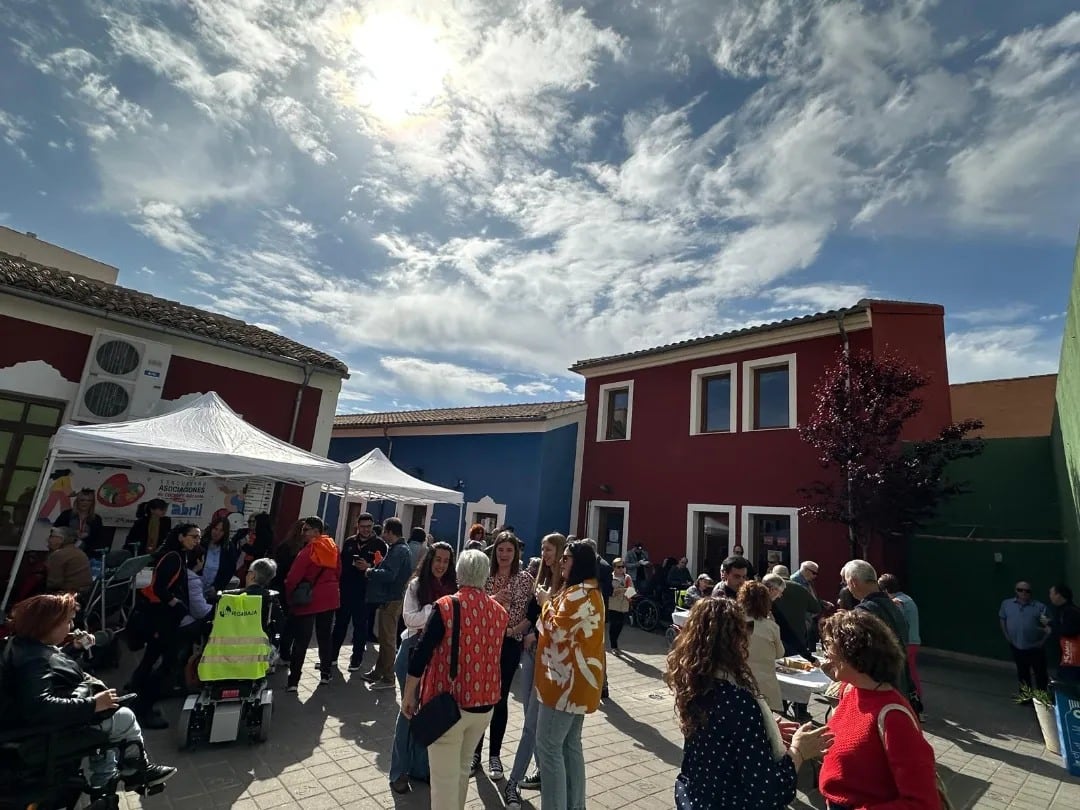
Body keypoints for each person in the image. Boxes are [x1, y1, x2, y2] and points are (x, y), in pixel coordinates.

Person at [666, 597, 832, 809]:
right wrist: (799, 751)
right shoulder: (737, 700)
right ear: (735, 637)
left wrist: (762, 729)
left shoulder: (696, 681)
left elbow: (720, 737)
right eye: (747, 626)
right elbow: (767, 790)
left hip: (696, 794)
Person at [1, 593, 176, 792]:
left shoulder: (23, 645)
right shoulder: (33, 660)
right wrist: (94, 704)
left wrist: (74, 649)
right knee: (124, 718)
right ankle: (122, 776)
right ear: (48, 625)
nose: (71, 627)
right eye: (67, 622)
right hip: (41, 735)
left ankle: (115, 777)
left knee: (110, 718)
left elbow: (50, 668)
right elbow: (39, 706)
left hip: (30, 724)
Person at [401, 549, 509, 810]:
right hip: (484, 704)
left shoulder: (447, 606)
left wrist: (408, 694)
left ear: (460, 573)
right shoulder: (498, 611)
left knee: (443, 782)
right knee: (461, 772)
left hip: (449, 704)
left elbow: (421, 654)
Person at [818, 610, 942, 809]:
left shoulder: (893, 716)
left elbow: (923, 804)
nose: (825, 653)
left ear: (853, 653)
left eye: (829, 645)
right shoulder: (849, 690)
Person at [533, 540, 605, 810]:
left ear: (580, 562)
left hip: (563, 683)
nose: (561, 562)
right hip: (576, 683)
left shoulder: (578, 595)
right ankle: (576, 805)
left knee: (549, 748)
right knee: (570, 746)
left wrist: (544, 602)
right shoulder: (588, 591)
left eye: (566, 558)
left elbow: (555, 630)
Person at [389, 542, 457, 795]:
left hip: (437, 657)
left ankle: (420, 768)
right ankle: (398, 772)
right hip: (412, 652)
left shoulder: (452, 588)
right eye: (437, 559)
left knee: (428, 715)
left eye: (445, 561)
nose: (441, 565)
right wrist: (437, 610)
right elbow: (410, 618)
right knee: (408, 712)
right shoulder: (417, 586)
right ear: (429, 560)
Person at [504, 533, 566, 804]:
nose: (544, 553)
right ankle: (539, 771)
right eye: (542, 548)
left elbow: (556, 619)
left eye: (549, 549)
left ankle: (513, 782)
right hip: (532, 651)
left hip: (550, 658)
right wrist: (525, 630)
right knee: (533, 715)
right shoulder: (540, 576)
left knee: (532, 722)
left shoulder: (565, 582)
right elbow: (533, 611)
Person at [474, 531, 535, 780]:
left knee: (499, 700)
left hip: (508, 644)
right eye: (500, 549)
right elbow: (474, 605)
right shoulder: (484, 576)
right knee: (479, 699)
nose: (504, 554)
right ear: (494, 550)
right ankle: (474, 753)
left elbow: (532, 613)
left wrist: (512, 630)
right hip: (483, 644)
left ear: (515, 553)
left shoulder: (525, 579)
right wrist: (494, 598)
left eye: (509, 550)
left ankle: (495, 756)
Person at [129, 523, 202, 727]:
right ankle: (145, 707)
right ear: (180, 537)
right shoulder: (173, 557)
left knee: (151, 656)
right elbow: (160, 587)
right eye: (193, 536)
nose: (197, 540)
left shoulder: (175, 555)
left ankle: (135, 689)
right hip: (162, 617)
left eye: (198, 537)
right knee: (167, 664)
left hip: (157, 615)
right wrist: (176, 604)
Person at [842, 560, 920, 712]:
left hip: (877, 692)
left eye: (847, 583)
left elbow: (859, 657)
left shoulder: (862, 613)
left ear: (853, 582)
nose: (848, 588)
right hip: (899, 685)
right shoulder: (894, 606)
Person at [283, 517, 341, 690]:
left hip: (309, 598)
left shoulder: (309, 550)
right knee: (325, 637)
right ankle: (325, 673)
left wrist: (290, 597)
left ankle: (294, 681)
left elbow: (293, 577)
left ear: (316, 531)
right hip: (329, 598)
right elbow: (338, 572)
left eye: (306, 529)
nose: (303, 533)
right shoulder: (333, 548)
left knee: (302, 641)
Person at [357, 517, 412, 686]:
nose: (382, 535)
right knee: (384, 637)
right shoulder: (399, 548)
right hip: (391, 597)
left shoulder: (399, 550)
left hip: (391, 598)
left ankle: (388, 677)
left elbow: (389, 575)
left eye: (384, 532)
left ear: (390, 532)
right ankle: (379, 671)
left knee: (387, 640)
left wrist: (369, 571)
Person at [331, 513, 387, 672]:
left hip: (365, 592)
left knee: (360, 627)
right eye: (363, 527)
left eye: (369, 526)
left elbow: (382, 568)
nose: (366, 530)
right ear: (357, 526)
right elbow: (341, 565)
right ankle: (332, 656)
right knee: (340, 625)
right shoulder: (350, 542)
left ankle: (356, 659)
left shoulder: (379, 545)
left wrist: (368, 567)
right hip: (347, 589)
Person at [738, 581, 785, 712]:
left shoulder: (734, 623)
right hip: (766, 684)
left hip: (740, 682)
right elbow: (780, 654)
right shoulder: (771, 627)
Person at [999, 579, 1051, 696]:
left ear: (1030, 592)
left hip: (1035, 647)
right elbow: (1002, 619)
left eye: (1026, 591)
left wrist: (1042, 641)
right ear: (1015, 591)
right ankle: (1025, 696)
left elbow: (1048, 626)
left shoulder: (1040, 607)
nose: (1023, 593)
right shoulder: (1006, 604)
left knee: (1040, 674)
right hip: (1017, 646)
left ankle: (1041, 698)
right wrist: (1007, 636)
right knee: (1023, 673)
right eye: (1020, 590)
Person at [878, 573, 922, 700]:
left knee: (902, 675)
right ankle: (916, 698)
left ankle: (909, 699)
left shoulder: (898, 603)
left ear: (885, 590)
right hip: (914, 641)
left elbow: (898, 623)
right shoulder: (907, 598)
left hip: (906, 643)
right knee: (912, 672)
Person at [53, 488, 107, 555]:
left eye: (89, 501)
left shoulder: (96, 519)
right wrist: (73, 533)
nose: (85, 503)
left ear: (92, 503)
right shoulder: (66, 515)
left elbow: (99, 539)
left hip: (86, 554)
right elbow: (55, 531)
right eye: (82, 500)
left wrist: (87, 536)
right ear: (77, 501)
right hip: (64, 551)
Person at [200, 516, 241, 597]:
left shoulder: (229, 547)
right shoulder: (202, 543)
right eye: (215, 529)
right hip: (197, 587)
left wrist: (217, 587)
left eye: (221, 530)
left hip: (213, 590)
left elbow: (229, 571)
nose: (217, 533)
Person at [45, 526, 91, 594]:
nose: (48, 539)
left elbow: (53, 584)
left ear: (61, 539)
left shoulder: (58, 555)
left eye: (52, 536)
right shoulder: (80, 552)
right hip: (83, 594)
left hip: (66, 595)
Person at [1049, 583, 1080, 683]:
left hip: (1071, 659)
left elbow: (1068, 631)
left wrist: (1051, 629)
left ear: (1058, 595)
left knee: (1069, 688)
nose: (1050, 596)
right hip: (1066, 658)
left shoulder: (1070, 611)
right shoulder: (1063, 610)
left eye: (1051, 593)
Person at [608, 557, 632, 651]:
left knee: (620, 625)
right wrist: (614, 592)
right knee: (613, 624)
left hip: (623, 605)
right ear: (614, 567)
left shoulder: (627, 577)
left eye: (623, 566)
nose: (621, 568)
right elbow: (607, 590)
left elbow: (631, 591)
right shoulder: (610, 577)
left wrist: (623, 590)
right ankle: (614, 646)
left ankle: (615, 641)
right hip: (612, 604)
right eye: (618, 567)